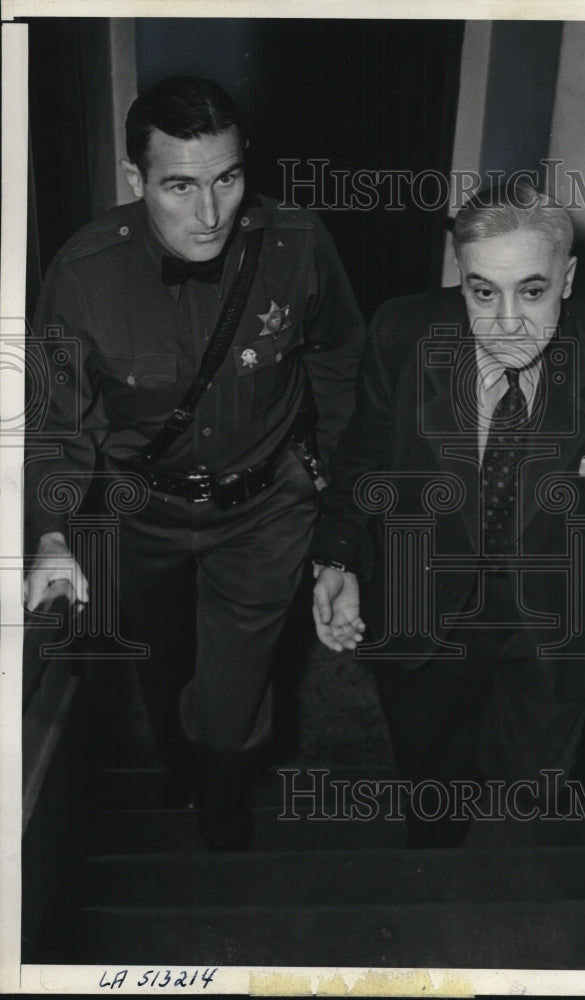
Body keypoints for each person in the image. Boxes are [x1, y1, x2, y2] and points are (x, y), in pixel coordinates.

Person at [310, 183, 585, 846]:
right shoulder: (403, 332)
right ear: (460, 277)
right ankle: (437, 884)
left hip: (561, 612)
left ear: (567, 279)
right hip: (428, 603)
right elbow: (363, 459)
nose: (507, 321)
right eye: (483, 291)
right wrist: (337, 557)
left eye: (533, 290)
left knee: (529, 805)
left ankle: (509, 907)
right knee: (431, 788)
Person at [24, 76, 365, 849]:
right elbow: (57, 419)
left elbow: (342, 363)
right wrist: (49, 533)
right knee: (162, 652)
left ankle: (220, 793)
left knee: (237, 671)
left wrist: (344, 508)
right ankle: (180, 759)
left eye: (228, 179)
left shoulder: (297, 245)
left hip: (265, 504)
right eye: (180, 186)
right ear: (136, 179)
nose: (210, 214)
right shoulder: (83, 276)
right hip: (140, 509)